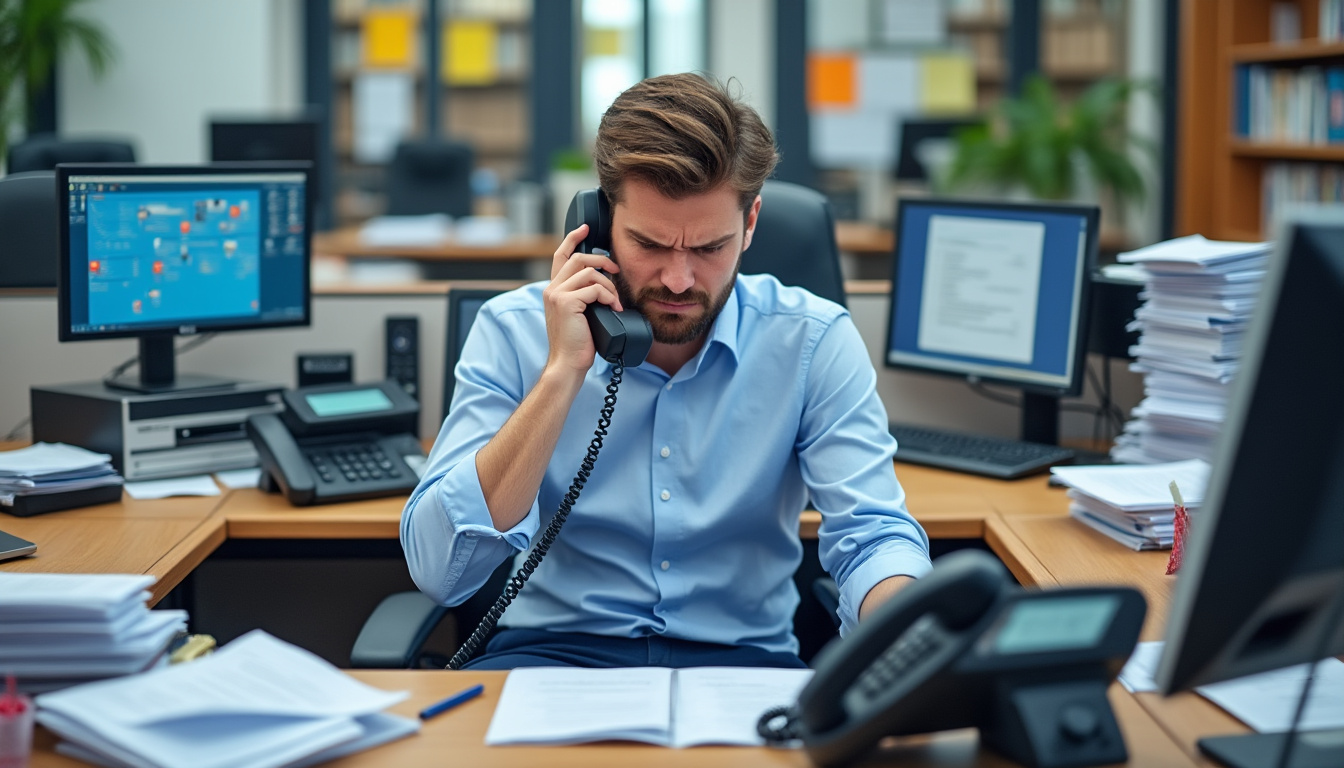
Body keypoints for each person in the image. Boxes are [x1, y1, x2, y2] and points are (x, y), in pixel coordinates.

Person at [401, 73, 931, 670]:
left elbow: (873, 533)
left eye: (709, 249)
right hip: (552, 659)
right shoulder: (513, 330)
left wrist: (905, 629)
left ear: (751, 222)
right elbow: (440, 571)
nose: (679, 280)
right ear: (597, 224)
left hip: (742, 664)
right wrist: (561, 374)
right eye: (650, 244)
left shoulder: (812, 340)